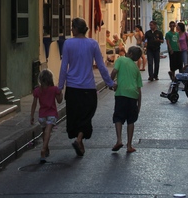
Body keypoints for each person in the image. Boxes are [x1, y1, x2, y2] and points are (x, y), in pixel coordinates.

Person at [58, 17, 116, 157]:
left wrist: (59, 87)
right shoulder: (93, 44)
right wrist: (109, 82)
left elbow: (64, 67)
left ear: (76, 29)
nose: (71, 29)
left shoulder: (68, 44)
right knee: (86, 115)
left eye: (72, 27)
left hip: (72, 87)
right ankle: (80, 139)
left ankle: (79, 139)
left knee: (75, 115)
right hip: (88, 87)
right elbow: (101, 66)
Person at [110, 46, 143, 153]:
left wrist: (110, 82)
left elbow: (114, 71)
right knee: (131, 120)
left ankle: (119, 140)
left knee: (118, 117)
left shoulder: (120, 60)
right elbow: (139, 88)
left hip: (121, 93)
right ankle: (129, 145)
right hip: (133, 96)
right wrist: (139, 105)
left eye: (127, 52)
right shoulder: (136, 68)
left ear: (130, 54)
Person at [31, 69, 63, 163]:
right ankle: (43, 150)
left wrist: (32, 115)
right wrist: (60, 92)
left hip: (42, 116)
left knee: (44, 132)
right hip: (51, 114)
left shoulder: (37, 90)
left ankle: (46, 148)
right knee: (48, 131)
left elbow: (34, 104)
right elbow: (59, 101)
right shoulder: (54, 89)